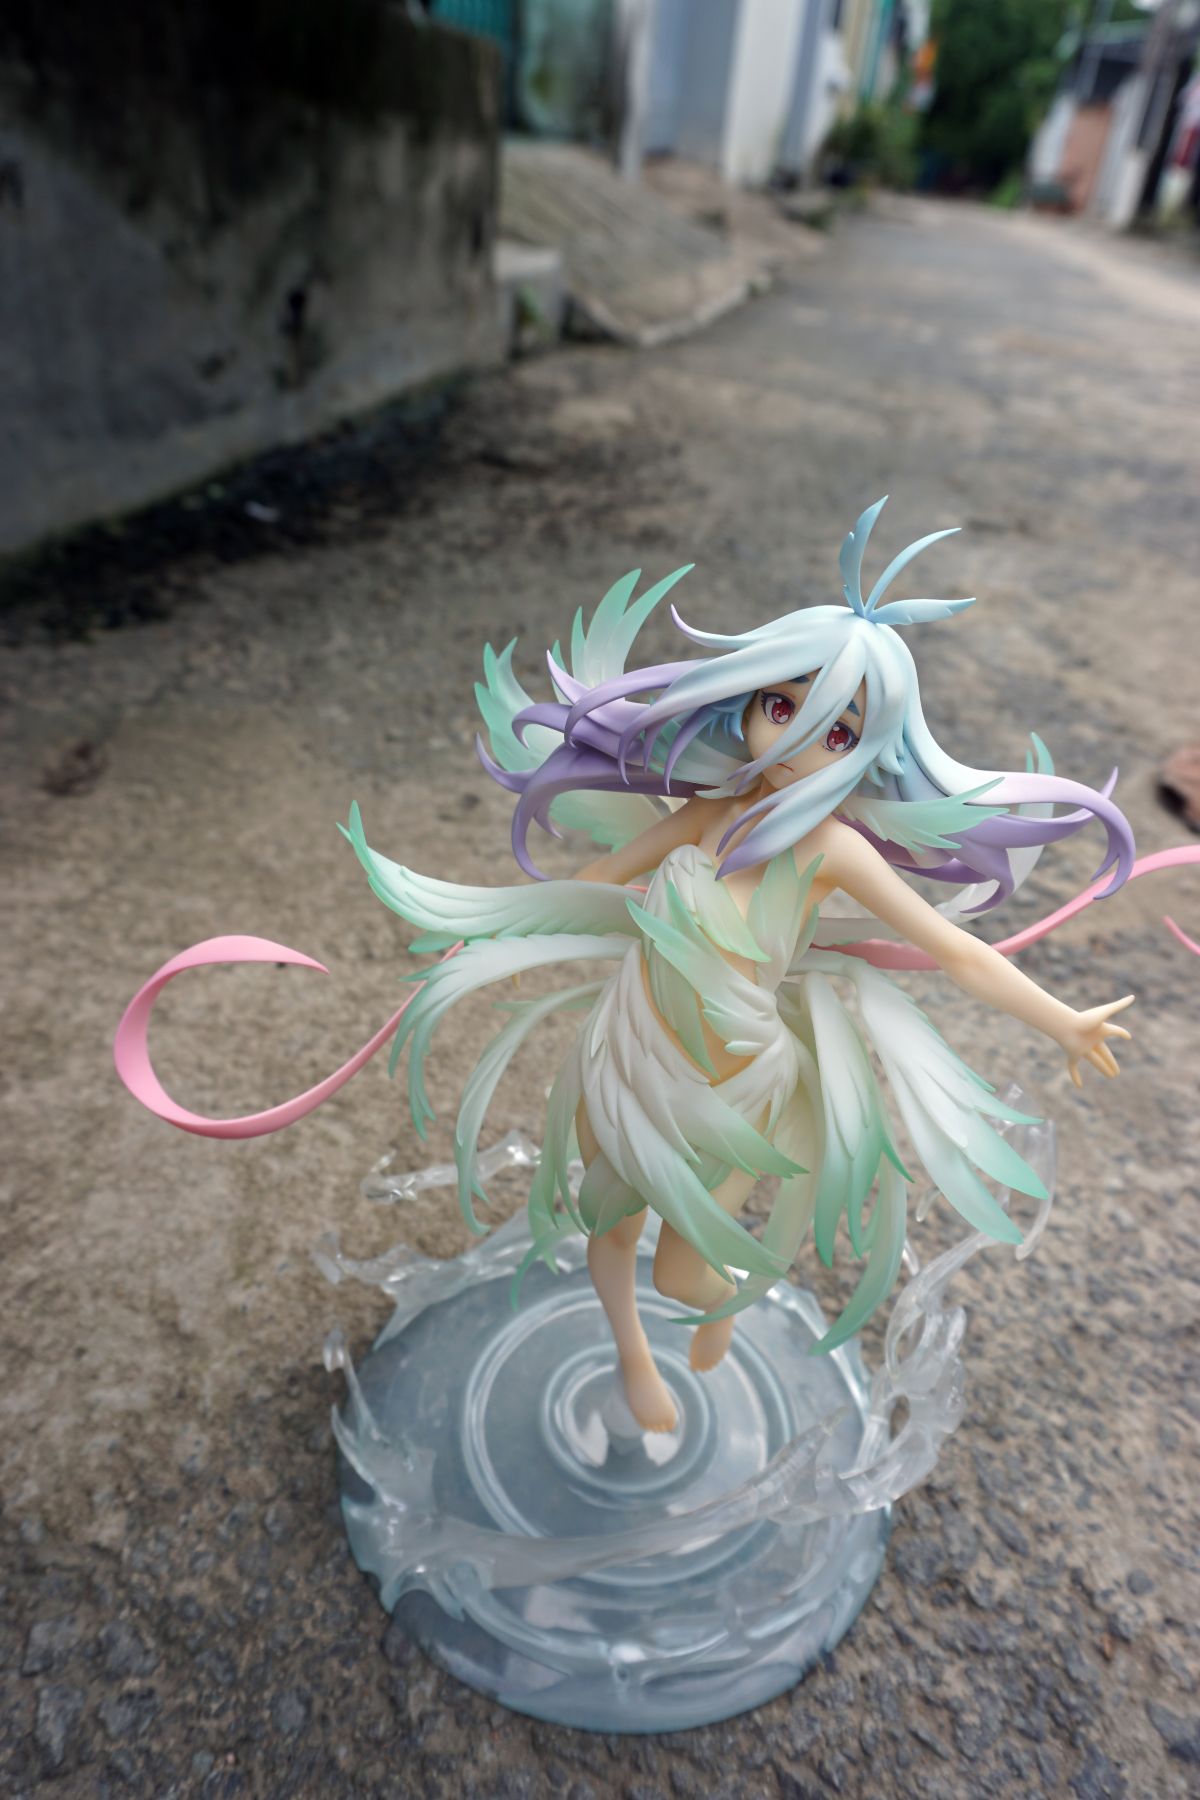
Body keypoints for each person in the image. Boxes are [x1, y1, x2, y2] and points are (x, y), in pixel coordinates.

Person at [342, 498, 1136, 1431]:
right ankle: (633, 1360)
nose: (797, 738)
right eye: (782, 706)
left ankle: (721, 1302)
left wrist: (1062, 1020)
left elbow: (955, 950)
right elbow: (597, 882)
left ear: (871, 750)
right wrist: (505, 935)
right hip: (631, 1047)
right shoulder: (710, 814)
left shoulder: (835, 852)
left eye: (838, 731)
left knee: (686, 1269)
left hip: (735, 1086)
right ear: (750, 701)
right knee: (609, 1225)